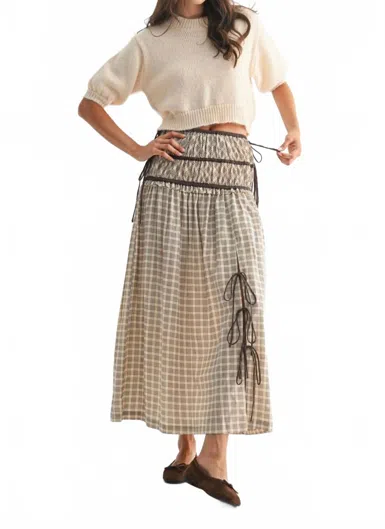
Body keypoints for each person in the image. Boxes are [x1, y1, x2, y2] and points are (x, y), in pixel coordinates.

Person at [78, 0, 301, 507]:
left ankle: (213, 458)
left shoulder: (243, 24)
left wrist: (294, 130)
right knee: (178, 311)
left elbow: (279, 81)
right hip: (172, 178)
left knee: (238, 307)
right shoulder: (150, 41)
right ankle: (186, 447)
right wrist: (138, 148)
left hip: (233, 173)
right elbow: (90, 103)